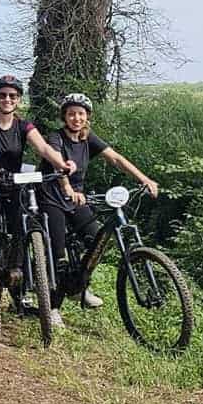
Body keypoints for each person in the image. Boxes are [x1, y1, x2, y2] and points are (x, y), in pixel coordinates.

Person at [38, 92, 159, 327]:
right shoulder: (56, 137)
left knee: (97, 239)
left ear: (87, 117)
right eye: (71, 114)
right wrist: (67, 188)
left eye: (81, 114)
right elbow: (56, 163)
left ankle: (79, 285)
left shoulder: (87, 138)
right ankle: (53, 306)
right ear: (64, 116)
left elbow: (116, 159)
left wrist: (144, 179)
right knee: (58, 250)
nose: (76, 118)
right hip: (52, 197)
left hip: (78, 199)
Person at [0, 75, 76, 247]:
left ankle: (19, 266)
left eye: (12, 96)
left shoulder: (23, 125)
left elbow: (43, 148)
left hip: (15, 185)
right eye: (3, 95)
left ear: (19, 99)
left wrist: (62, 164)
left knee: (25, 226)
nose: (7, 99)